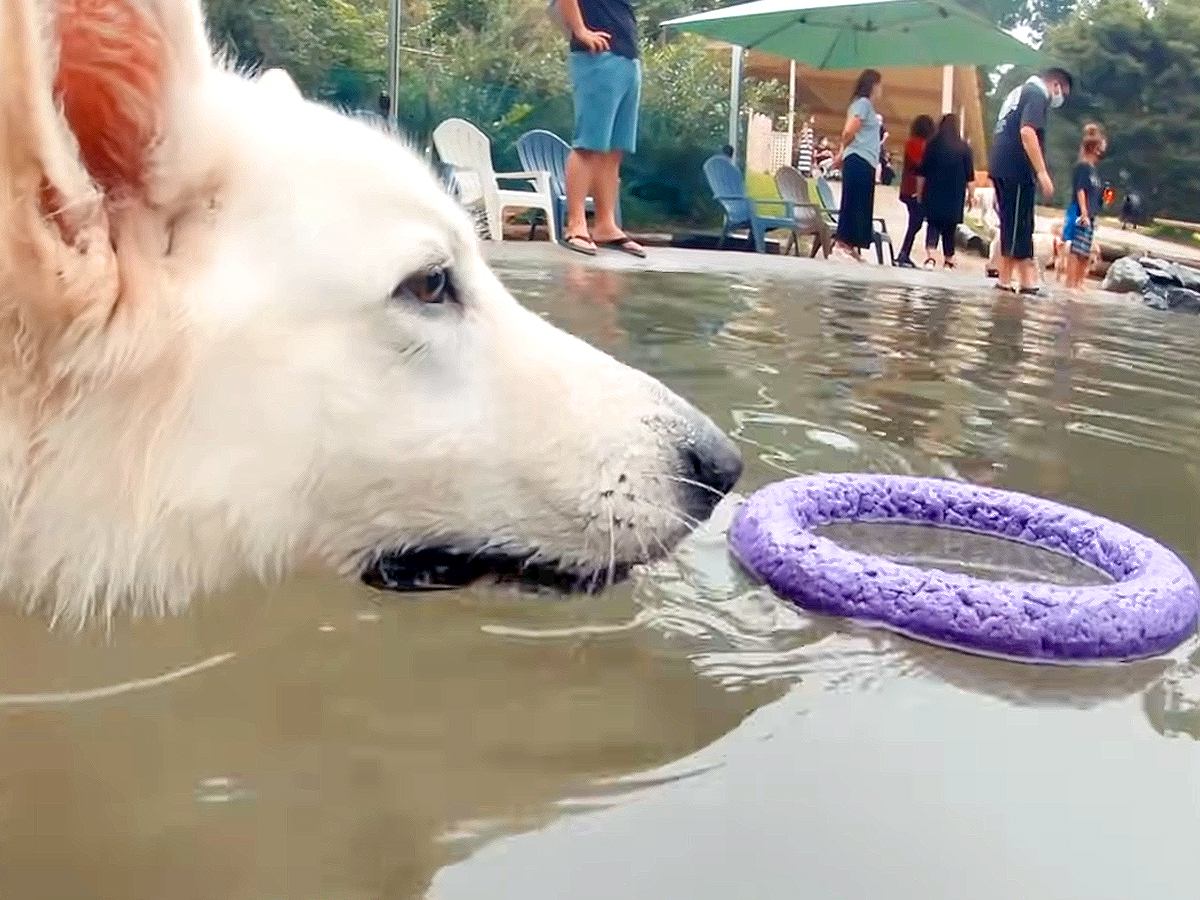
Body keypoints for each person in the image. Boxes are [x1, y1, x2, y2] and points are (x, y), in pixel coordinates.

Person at [557, 0, 646, 258]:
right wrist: (581, 30)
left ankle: (606, 225)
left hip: (627, 57)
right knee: (589, 143)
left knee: (615, 148)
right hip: (596, 56)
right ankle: (576, 225)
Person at [988, 66, 1073, 294]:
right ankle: (1008, 280)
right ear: (1055, 85)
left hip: (1001, 162)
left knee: (1017, 224)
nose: (1060, 98)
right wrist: (1042, 172)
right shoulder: (1037, 94)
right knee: (1017, 226)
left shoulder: (1019, 92)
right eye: (1063, 92)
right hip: (1017, 167)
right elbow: (1027, 132)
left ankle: (1024, 280)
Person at [833, 69, 884, 261]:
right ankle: (842, 242)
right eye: (879, 85)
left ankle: (851, 243)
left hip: (866, 159)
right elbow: (849, 130)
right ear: (873, 85)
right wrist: (843, 151)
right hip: (859, 158)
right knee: (853, 201)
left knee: (861, 203)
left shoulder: (866, 106)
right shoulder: (863, 104)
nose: (881, 90)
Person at [918, 113, 975, 270]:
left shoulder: (932, 144)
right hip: (955, 194)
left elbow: (922, 172)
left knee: (933, 224)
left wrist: (919, 192)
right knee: (950, 227)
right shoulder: (964, 148)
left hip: (934, 191)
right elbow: (970, 176)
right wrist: (971, 196)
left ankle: (931, 257)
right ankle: (948, 259)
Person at [1062, 123, 1107, 289]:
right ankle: (1071, 283)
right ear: (1095, 147)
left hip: (1091, 214)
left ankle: (1079, 282)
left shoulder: (1093, 169)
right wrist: (1084, 213)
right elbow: (1080, 190)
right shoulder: (1082, 167)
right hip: (1081, 213)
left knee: (1085, 252)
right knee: (1076, 250)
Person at [896, 114, 935, 268]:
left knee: (915, 222)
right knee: (916, 221)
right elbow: (921, 164)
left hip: (910, 188)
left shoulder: (912, 143)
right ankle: (903, 253)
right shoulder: (916, 144)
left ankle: (904, 253)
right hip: (913, 189)